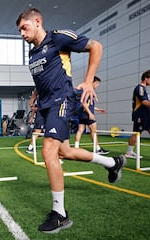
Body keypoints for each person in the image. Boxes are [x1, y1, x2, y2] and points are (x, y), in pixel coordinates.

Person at [16, 8, 126, 234]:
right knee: (64, 152)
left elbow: (95, 46)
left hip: (62, 99)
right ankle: (113, 163)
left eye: (24, 28)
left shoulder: (57, 38)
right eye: (19, 31)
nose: (22, 34)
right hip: (46, 105)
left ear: (37, 21)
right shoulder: (32, 54)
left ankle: (60, 214)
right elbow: (41, 80)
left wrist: (87, 81)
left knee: (48, 152)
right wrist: (36, 100)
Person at [125, 69, 150, 159]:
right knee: (137, 133)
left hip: (147, 115)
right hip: (140, 115)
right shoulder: (140, 88)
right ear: (146, 78)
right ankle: (129, 152)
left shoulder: (144, 89)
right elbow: (144, 102)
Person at [74, 76, 109, 154]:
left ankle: (76, 147)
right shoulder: (88, 90)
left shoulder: (82, 91)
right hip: (87, 114)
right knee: (93, 131)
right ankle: (97, 149)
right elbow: (84, 103)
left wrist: (97, 109)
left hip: (81, 114)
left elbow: (87, 104)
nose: (97, 85)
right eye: (97, 83)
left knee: (80, 130)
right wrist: (90, 113)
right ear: (92, 82)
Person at [26, 88, 45, 154]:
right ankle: (30, 148)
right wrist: (31, 117)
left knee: (47, 131)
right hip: (41, 116)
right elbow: (34, 108)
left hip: (44, 115)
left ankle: (48, 146)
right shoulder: (42, 98)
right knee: (38, 131)